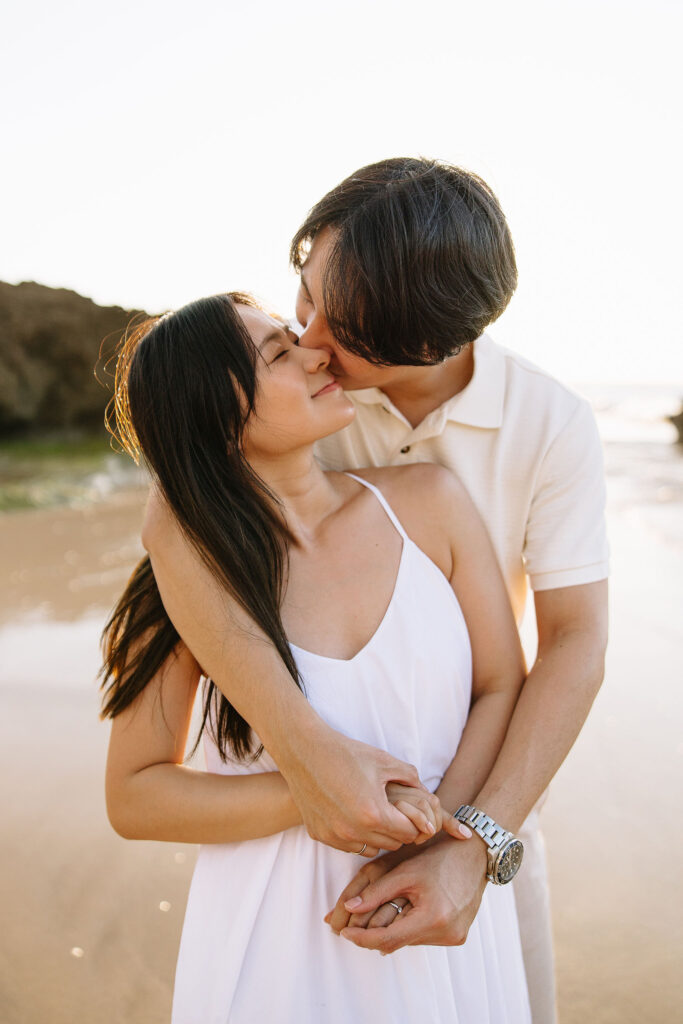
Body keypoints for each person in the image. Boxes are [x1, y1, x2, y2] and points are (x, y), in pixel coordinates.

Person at [142, 159, 609, 1024]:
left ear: (428, 346)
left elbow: (573, 644)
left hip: (485, 796)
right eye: (305, 292)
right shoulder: (298, 397)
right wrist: (306, 757)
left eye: (339, 325)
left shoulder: (549, 427)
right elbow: (174, 522)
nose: (309, 335)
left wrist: (471, 846)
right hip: (297, 859)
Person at [102, 292, 531, 1022]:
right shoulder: (185, 581)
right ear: (216, 411)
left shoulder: (428, 502)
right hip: (272, 941)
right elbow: (134, 795)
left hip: (438, 908)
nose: (316, 351)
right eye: (277, 353)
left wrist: (442, 842)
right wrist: (313, 793)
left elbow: (501, 686)